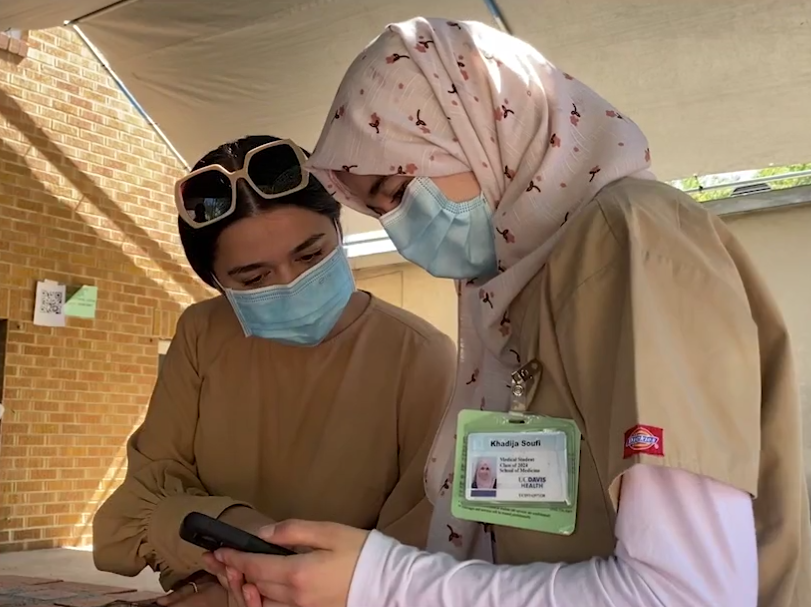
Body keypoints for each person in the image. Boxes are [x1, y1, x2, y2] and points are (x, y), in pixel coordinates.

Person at [209, 18, 811, 607]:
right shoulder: (517, 294)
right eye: (381, 211)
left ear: (482, 124)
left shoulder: (628, 237)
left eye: (398, 190)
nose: (401, 230)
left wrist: (384, 584)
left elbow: (691, 594)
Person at [91, 135, 457, 606]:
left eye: (311, 256)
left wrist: (244, 578)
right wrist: (236, 536)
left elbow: (416, 561)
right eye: (254, 278)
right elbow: (144, 501)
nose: (291, 283)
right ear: (219, 284)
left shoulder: (421, 355)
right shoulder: (204, 333)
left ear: (339, 231)